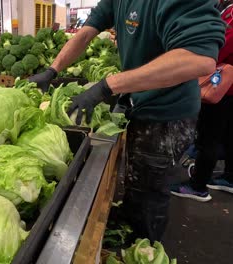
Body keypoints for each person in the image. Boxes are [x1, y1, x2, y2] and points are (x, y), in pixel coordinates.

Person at [28, 0, 225, 242]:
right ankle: (131, 224)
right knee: (138, 179)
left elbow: (199, 59)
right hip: (140, 102)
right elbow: (87, 32)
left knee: (152, 192)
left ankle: (145, 245)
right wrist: (53, 70)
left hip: (167, 115)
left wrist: (107, 86)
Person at [171, 0, 233, 202]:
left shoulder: (231, 14)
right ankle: (229, 178)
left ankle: (198, 186)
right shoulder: (227, 10)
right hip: (228, 87)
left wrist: (196, 55)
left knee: (210, 136)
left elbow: (218, 47)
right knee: (227, 135)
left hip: (222, 88)